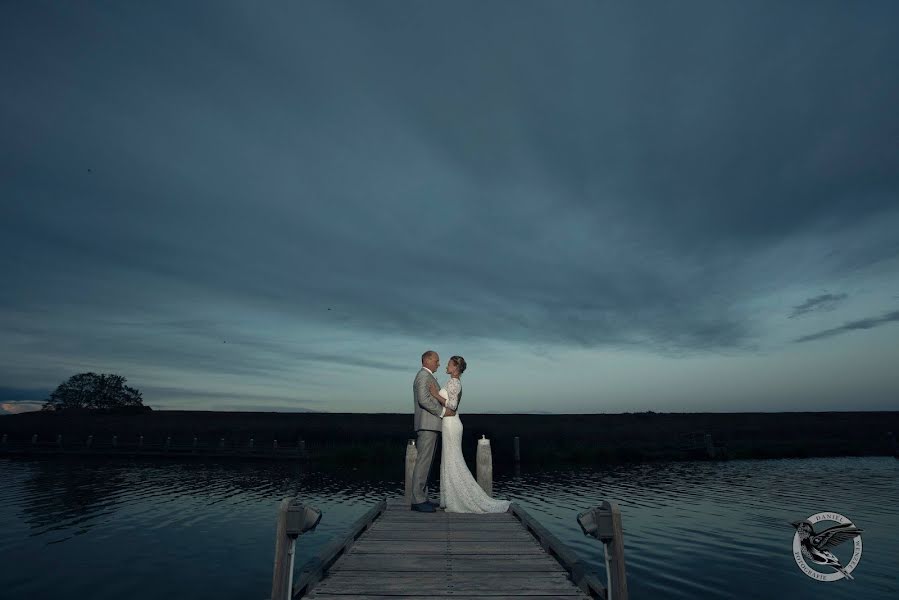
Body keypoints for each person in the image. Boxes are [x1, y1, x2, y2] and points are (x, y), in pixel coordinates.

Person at [432, 355, 511, 513]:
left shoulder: (454, 382)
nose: (446, 366)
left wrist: (435, 395)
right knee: (449, 460)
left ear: (455, 368)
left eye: (448, 364)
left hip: (451, 424)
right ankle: (450, 499)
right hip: (449, 423)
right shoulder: (452, 382)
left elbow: (452, 405)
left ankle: (461, 499)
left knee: (453, 460)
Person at [410, 350, 455, 512]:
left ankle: (423, 497)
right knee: (423, 462)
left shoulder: (427, 376)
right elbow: (424, 399)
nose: (438, 363)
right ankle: (417, 501)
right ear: (427, 360)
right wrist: (443, 412)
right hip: (427, 425)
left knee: (427, 463)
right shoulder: (423, 376)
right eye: (436, 360)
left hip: (431, 425)